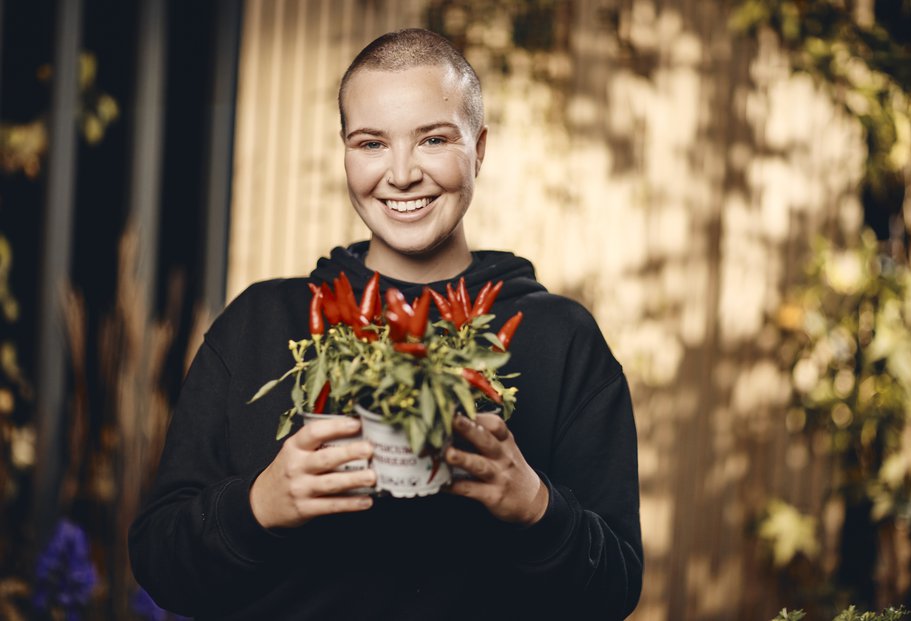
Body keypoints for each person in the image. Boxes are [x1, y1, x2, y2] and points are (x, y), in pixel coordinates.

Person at [129, 28, 642, 620]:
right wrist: (259, 507)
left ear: (478, 149)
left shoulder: (562, 340)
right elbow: (160, 563)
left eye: (433, 140)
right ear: (344, 149)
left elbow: (617, 590)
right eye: (371, 143)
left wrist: (535, 506)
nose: (401, 174)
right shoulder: (259, 324)